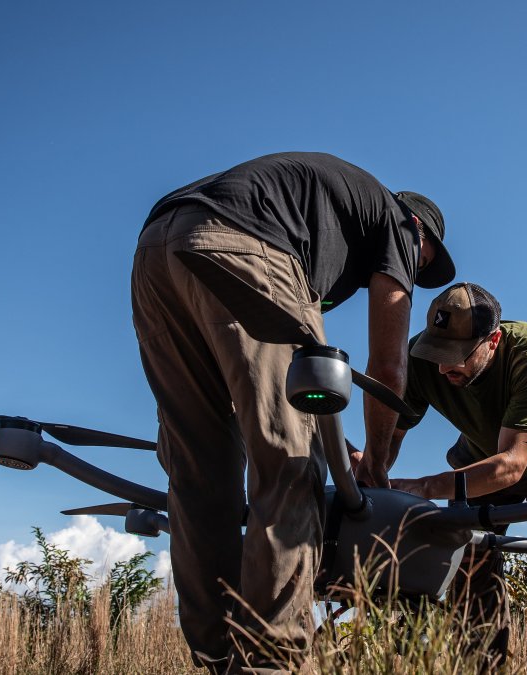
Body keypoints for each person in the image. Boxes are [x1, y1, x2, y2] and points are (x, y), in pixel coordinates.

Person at [131, 151, 455, 673]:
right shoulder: (399, 224)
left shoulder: (326, 226)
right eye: (421, 262)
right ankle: (272, 659)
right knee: (289, 465)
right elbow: (387, 366)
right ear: (418, 232)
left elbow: (285, 379)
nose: (415, 271)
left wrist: (341, 445)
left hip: (156, 250)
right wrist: (375, 466)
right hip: (242, 242)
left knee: (198, 470)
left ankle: (216, 653)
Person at [356, 282, 527, 674]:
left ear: (493, 340)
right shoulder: (419, 359)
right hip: (478, 454)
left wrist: (424, 488)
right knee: (469, 562)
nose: (443, 368)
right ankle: (480, 667)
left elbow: (511, 464)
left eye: (456, 357)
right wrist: (372, 468)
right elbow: (390, 440)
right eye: (437, 353)